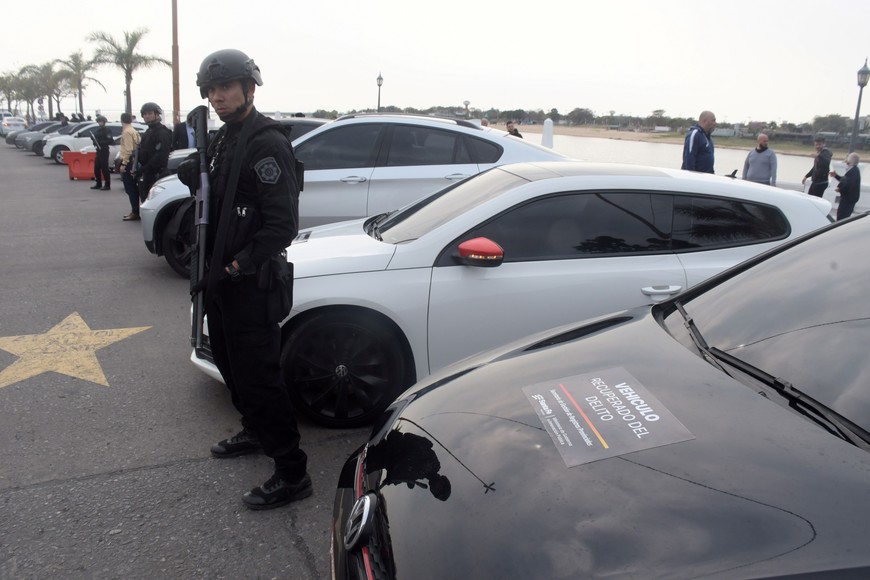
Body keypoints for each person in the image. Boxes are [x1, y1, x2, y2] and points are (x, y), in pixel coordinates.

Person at [177, 48, 310, 510]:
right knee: (230, 367)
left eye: (226, 87)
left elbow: (281, 226)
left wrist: (237, 267)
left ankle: (293, 472)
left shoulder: (266, 143)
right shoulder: (222, 140)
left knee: (259, 378)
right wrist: (193, 173)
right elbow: (217, 199)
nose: (218, 97)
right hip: (220, 281)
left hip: (250, 284)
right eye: (212, 90)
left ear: (248, 88)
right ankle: (255, 430)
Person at [137, 102, 173, 203]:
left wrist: (146, 168)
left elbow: (161, 155)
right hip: (147, 174)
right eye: (145, 114)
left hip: (157, 174)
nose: (147, 116)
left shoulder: (162, 132)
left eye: (149, 113)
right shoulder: (148, 132)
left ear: (157, 115)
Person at [118, 113, 142, 221]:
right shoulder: (133, 130)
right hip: (134, 161)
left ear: (121, 120)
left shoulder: (126, 132)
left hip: (128, 162)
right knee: (133, 188)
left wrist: (123, 163)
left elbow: (128, 149)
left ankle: (135, 211)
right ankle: (136, 210)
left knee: (130, 188)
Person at [830, 152, 861, 220]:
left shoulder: (853, 171)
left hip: (848, 199)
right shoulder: (853, 170)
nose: (846, 160)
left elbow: (848, 184)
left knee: (841, 216)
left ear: (849, 161)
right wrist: (836, 176)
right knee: (842, 215)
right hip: (849, 198)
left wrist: (839, 188)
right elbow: (845, 180)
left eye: (847, 158)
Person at [90, 115, 113, 191]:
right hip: (98, 151)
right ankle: (98, 183)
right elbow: (95, 138)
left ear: (104, 122)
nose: (100, 123)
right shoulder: (98, 130)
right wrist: (94, 139)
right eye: (99, 122)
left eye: (101, 121)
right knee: (96, 168)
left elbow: (110, 140)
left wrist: (101, 142)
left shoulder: (107, 130)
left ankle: (107, 184)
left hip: (104, 150)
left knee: (104, 168)